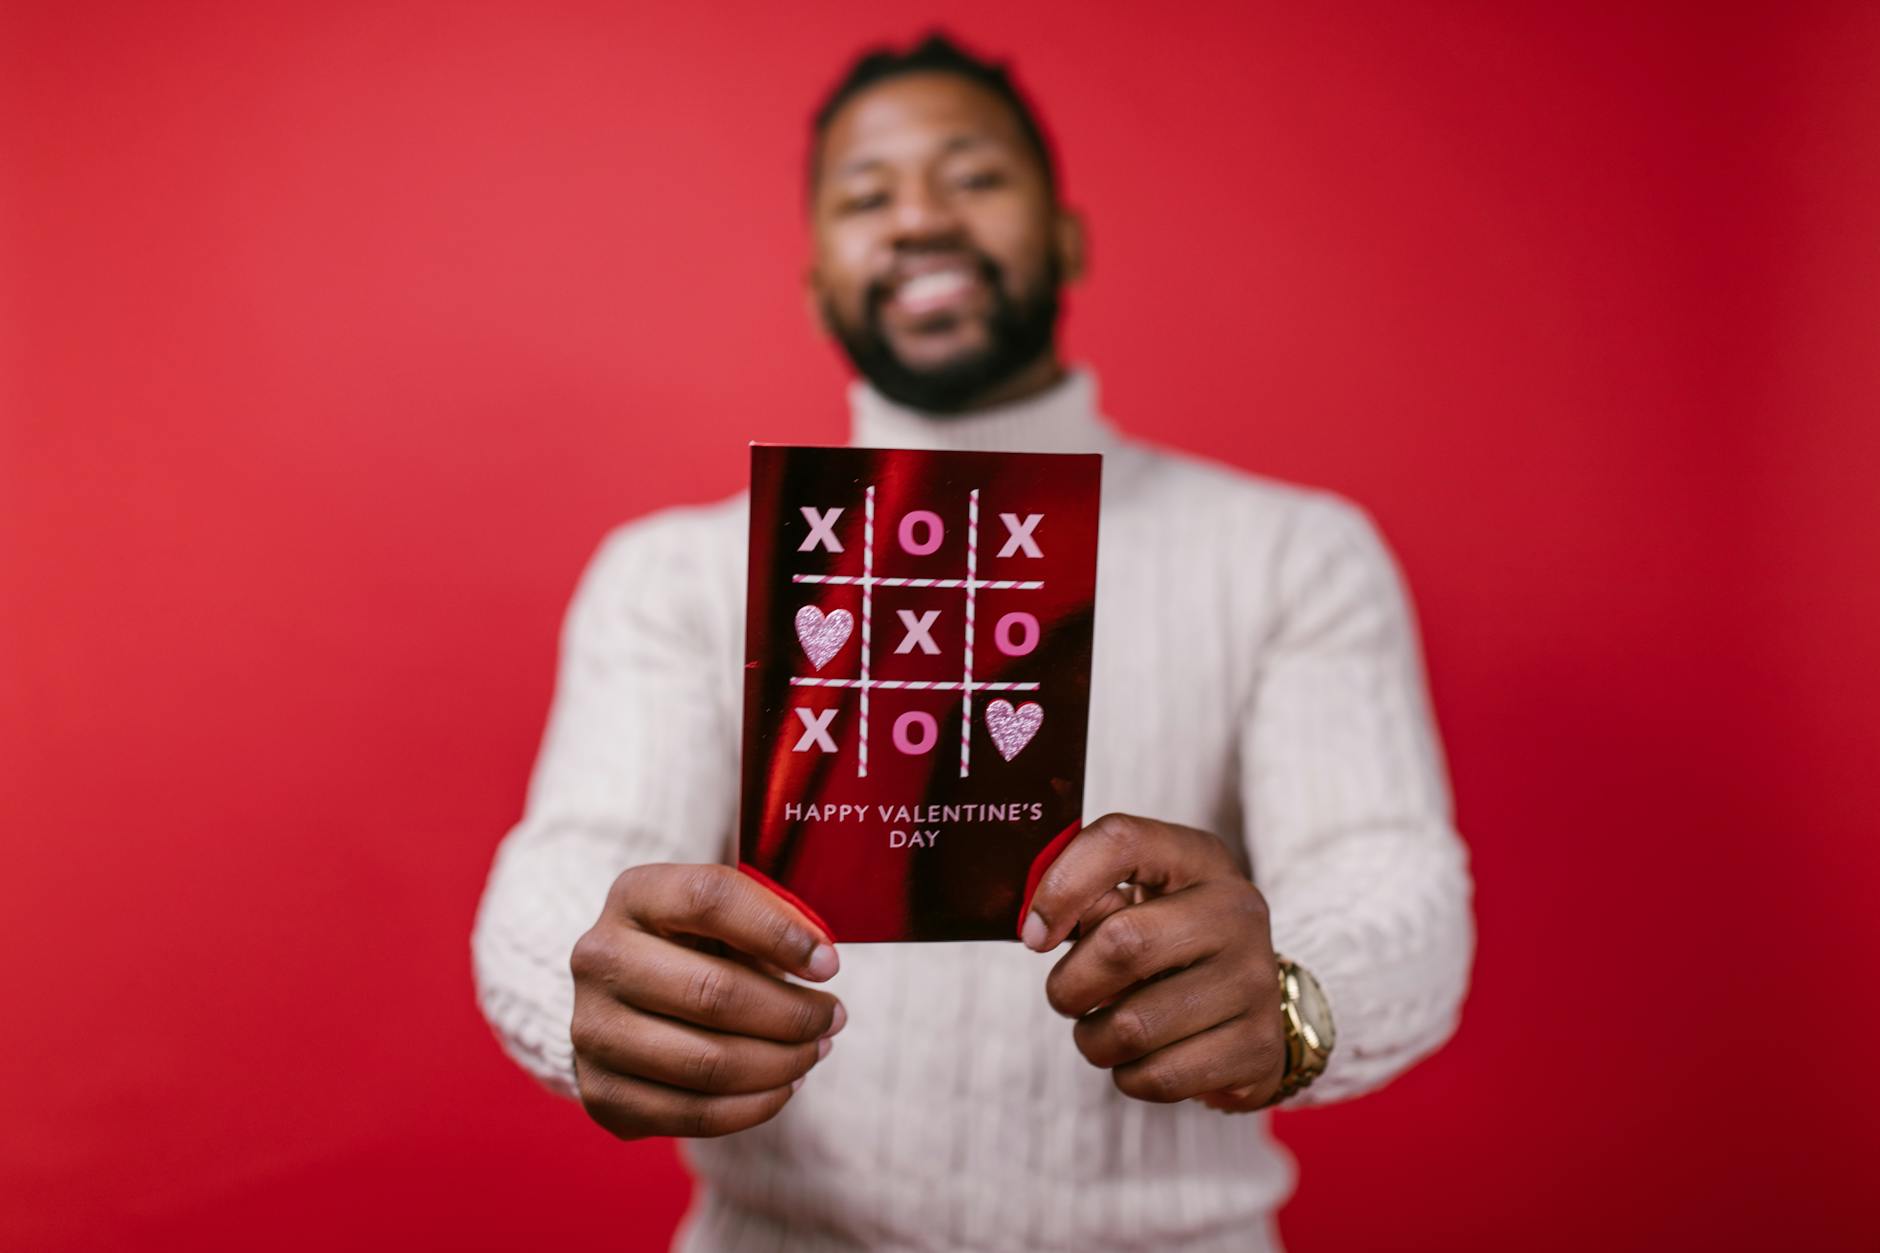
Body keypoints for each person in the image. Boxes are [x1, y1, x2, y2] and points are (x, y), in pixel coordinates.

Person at [472, 30, 1474, 1252]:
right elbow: (572, 861)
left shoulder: (1291, 553)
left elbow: (1384, 866)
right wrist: (579, 989)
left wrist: (1297, 994)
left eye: (973, 176)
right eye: (866, 197)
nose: (918, 218)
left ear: (1068, 237)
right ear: (817, 282)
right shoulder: (672, 573)